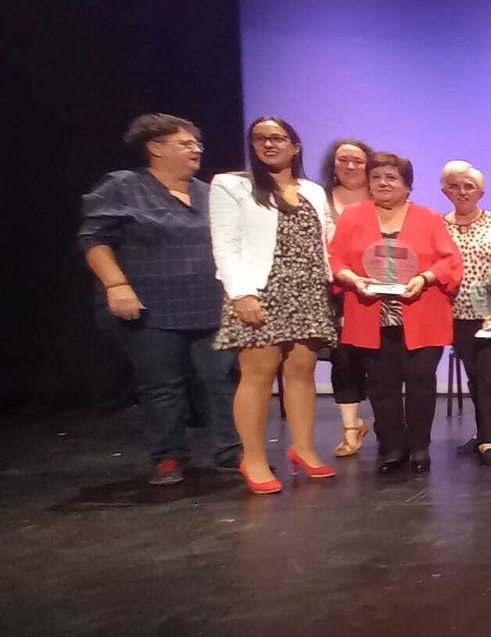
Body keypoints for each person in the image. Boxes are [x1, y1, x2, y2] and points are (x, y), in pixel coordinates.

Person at [78, 113, 241, 485]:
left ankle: (233, 450)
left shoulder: (209, 193)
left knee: (222, 378)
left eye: (196, 143)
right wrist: (116, 286)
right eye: (185, 143)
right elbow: (94, 239)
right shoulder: (124, 187)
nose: (195, 149)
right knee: (162, 384)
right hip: (151, 306)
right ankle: (169, 457)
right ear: (155, 147)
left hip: (209, 302)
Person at [209, 116, 338, 494]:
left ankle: (304, 448)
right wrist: (241, 293)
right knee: (258, 372)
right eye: (261, 139)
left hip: (309, 289)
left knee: (301, 370)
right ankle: (253, 457)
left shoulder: (313, 190)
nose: (269, 144)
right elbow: (225, 244)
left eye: (278, 138)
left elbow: (326, 239)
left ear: (295, 146)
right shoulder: (232, 185)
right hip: (262, 288)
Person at [327, 151, 462, 474]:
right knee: (381, 385)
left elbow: (450, 261)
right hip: (370, 313)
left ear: (408, 186)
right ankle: (392, 448)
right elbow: (335, 259)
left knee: (420, 384)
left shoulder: (428, 218)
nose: (383, 183)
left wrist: (423, 277)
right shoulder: (354, 216)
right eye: (376, 177)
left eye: (391, 178)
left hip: (420, 314)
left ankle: (419, 448)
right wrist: (352, 278)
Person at [441, 161, 491, 466]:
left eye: (468, 186)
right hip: (456, 312)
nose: (462, 191)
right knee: (473, 378)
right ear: (445, 190)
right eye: (454, 186)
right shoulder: (439, 225)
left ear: (481, 191)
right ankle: (483, 433)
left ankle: (489, 440)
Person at [321, 139, 375, 458]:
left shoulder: (384, 197)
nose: (351, 166)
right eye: (344, 160)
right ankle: (351, 427)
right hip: (335, 292)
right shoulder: (319, 199)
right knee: (343, 358)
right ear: (334, 165)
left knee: (381, 362)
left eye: (358, 160)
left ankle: (388, 423)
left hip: (377, 292)